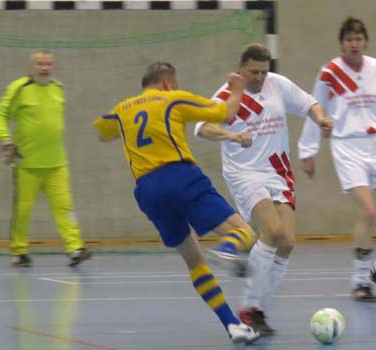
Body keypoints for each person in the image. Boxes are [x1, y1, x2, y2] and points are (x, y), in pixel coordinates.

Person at [92, 61, 260, 344]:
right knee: (245, 233)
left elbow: (101, 130)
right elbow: (226, 112)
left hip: (147, 190)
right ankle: (228, 249)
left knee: (194, 260)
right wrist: (237, 89)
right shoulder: (172, 99)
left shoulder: (123, 108)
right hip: (179, 177)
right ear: (168, 81)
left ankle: (233, 325)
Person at [194, 43, 333, 335]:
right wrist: (231, 134)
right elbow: (202, 129)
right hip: (245, 172)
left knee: (288, 242)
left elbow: (309, 103)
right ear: (241, 68)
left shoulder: (277, 85)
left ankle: (258, 309)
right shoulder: (227, 95)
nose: (258, 77)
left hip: (278, 170)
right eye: (253, 72)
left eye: (263, 72)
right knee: (272, 231)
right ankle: (246, 308)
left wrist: (321, 119)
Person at [298, 17, 376, 302]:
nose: (354, 43)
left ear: (366, 42)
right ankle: (360, 282)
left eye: (359, 38)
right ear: (342, 43)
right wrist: (307, 151)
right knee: (369, 212)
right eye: (349, 39)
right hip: (347, 148)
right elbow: (316, 109)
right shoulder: (330, 73)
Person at [0, 49, 92, 268]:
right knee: (23, 210)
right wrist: (6, 141)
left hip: (57, 164)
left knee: (65, 207)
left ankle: (75, 248)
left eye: (48, 64)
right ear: (31, 67)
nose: (44, 68)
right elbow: (0, 115)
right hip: (26, 164)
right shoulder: (19, 88)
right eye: (40, 64)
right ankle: (19, 252)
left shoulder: (59, 89)